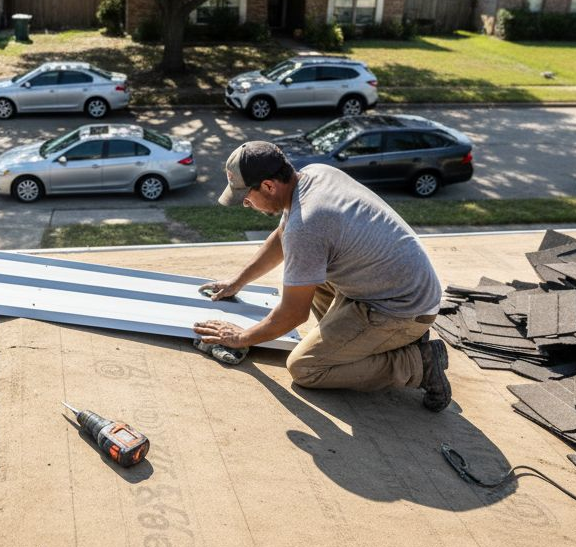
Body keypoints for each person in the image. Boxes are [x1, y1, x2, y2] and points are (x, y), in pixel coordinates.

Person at [192, 141, 451, 411]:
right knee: (303, 271)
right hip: (395, 287)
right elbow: (283, 236)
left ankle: (419, 363)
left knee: (306, 367)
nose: (245, 204)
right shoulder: (313, 175)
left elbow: (292, 315)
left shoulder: (307, 225)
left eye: (246, 196)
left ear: (269, 185)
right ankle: (376, 344)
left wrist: (240, 338)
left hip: (402, 310)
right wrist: (238, 281)